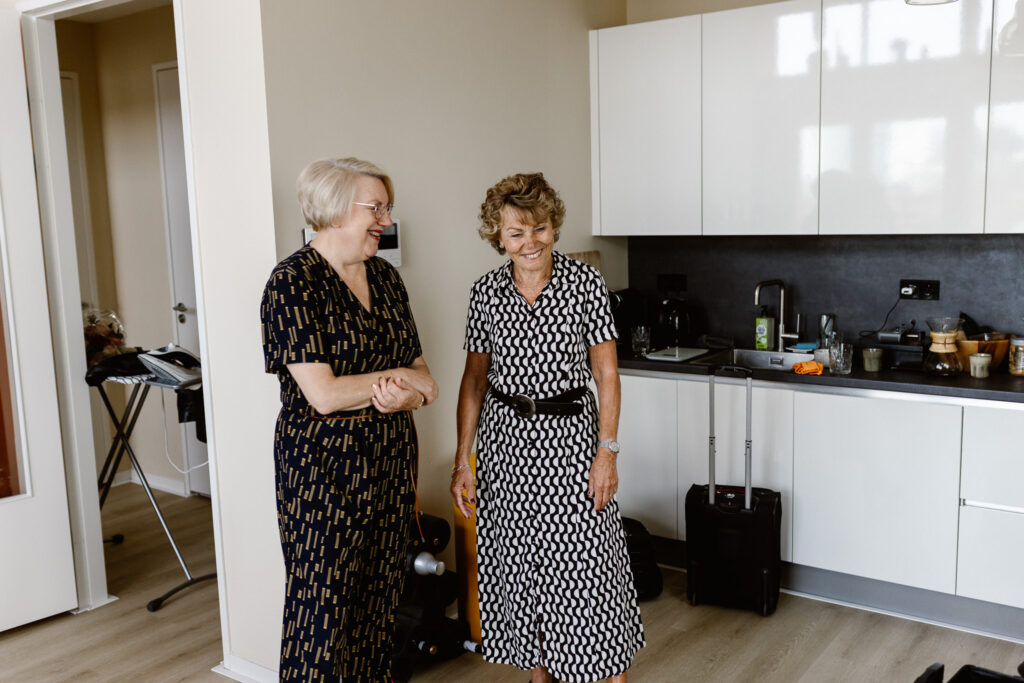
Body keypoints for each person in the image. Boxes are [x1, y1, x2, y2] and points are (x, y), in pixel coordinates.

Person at [450, 172, 645, 683]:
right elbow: (474, 381)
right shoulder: (486, 293)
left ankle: (607, 673)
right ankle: (541, 673)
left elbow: (606, 372)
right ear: (498, 238)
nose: (530, 242)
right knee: (521, 571)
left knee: (589, 573)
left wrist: (608, 452)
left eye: (539, 229)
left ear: (554, 225)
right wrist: (462, 462)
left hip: (572, 444)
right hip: (506, 448)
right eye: (516, 233)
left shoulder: (584, 283)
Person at [260, 157, 438, 682]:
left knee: (378, 611)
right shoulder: (292, 284)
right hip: (322, 476)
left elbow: (427, 380)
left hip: (388, 467)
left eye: (387, 206)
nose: (385, 217)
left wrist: (407, 393)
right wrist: (396, 382)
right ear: (334, 209)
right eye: (375, 207)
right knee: (322, 617)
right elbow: (324, 394)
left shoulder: (385, 277)